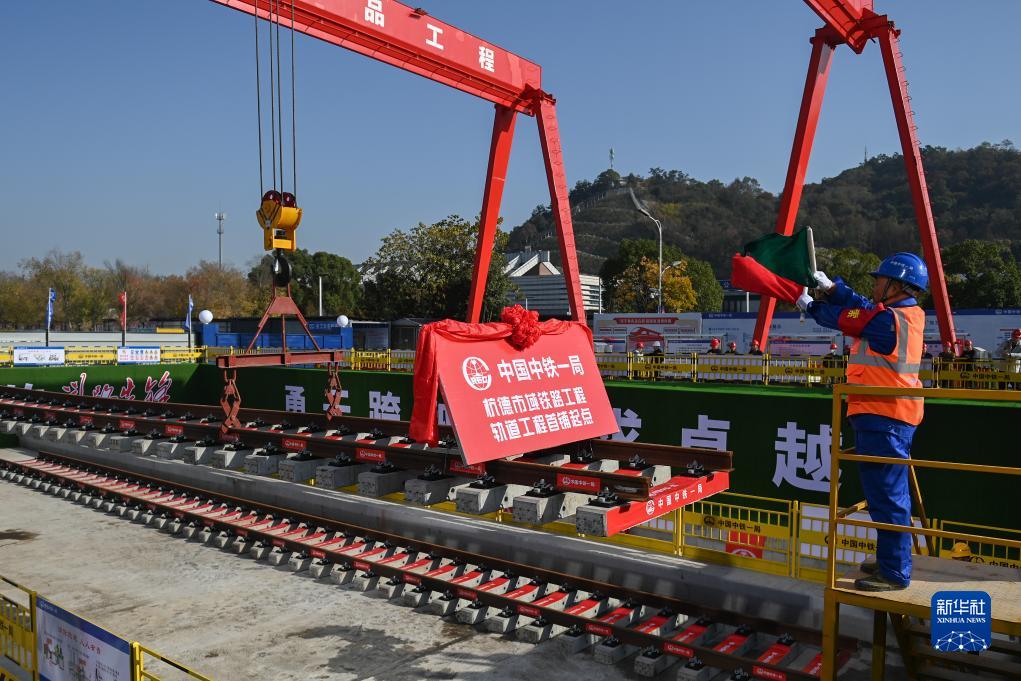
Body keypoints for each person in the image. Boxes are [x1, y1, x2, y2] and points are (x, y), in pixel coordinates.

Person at [797, 252, 927, 592]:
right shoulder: (900, 315)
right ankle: (889, 559)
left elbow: (849, 318)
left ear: (896, 285)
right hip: (886, 417)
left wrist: (811, 306)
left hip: (885, 417)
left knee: (887, 497)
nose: (875, 285)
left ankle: (894, 571)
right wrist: (833, 288)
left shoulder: (888, 322)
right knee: (887, 495)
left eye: (880, 280)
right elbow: (861, 307)